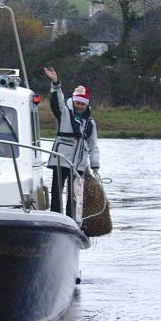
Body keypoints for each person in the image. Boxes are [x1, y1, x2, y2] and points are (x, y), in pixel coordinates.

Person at [43, 66, 100, 215]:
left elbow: (93, 145)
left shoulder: (90, 123)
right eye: (77, 103)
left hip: (79, 162)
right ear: (73, 102)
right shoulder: (64, 113)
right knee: (57, 190)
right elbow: (57, 100)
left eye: (82, 104)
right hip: (61, 159)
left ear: (86, 105)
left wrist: (95, 165)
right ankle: (55, 215)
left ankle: (73, 218)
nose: (79, 106)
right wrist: (55, 82)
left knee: (75, 194)